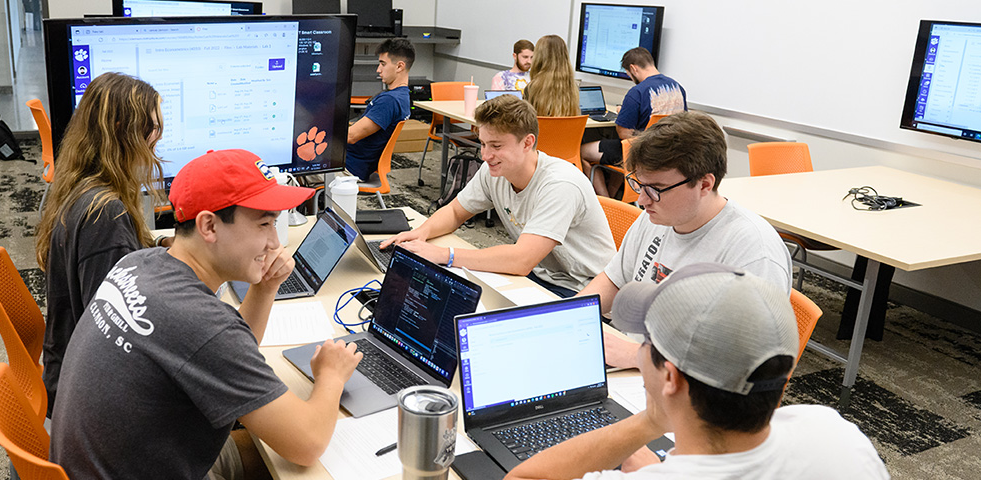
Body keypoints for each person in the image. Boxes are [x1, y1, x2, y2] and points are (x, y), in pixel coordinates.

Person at [49, 149, 363, 479]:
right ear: (209, 225)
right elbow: (307, 444)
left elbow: (228, 353)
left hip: (109, 462)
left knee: (264, 449)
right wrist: (332, 376)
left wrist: (265, 288)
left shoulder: (139, 263)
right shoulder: (200, 323)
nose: (274, 242)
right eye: (265, 224)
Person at [506, 263, 890, 479]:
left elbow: (520, 478)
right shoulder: (835, 432)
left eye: (644, 342)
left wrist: (650, 422)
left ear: (671, 378)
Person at [577, 111, 792, 368]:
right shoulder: (655, 217)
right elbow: (613, 279)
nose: (643, 200)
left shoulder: (753, 251)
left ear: (704, 184)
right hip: (641, 368)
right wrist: (569, 321)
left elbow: (742, 362)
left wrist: (639, 356)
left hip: (694, 390)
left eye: (655, 189)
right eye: (639, 184)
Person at [34, 72, 174, 416]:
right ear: (121, 129)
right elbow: (117, 329)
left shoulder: (83, 185)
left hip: (68, 372)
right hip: (90, 398)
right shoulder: (105, 216)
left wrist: (161, 252)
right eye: (152, 127)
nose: (158, 137)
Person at [381, 95, 615, 298]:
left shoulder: (560, 184)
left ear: (527, 142)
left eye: (496, 146)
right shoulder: (496, 170)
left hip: (583, 289)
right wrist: (420, 234)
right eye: (482, 144)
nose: (485, 155)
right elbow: (454, 212)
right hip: (541, 275)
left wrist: (445, 255)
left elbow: (521, 260)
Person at [581, 47, 687, 196]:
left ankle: (605, 201)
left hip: (643, 153)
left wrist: (624, 114)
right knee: (621, 151)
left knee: (584, 151)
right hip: (670, 154)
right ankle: (613, 197)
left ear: (633, 68)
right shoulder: (678, 88)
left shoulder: (637, 92)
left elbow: (624, 133)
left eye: (629, 74)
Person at [344, 37, 414, 180]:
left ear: (399, 66)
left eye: (383, 64)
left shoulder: (389, 101)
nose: (378, 70)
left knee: (291, 168)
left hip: (348, 168)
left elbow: (351, 136)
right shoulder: (402, 96)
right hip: (351, 162)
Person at [522, 35, 579, 117]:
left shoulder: (532, 88)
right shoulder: (573, 88)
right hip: (566, 130)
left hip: (541, 130)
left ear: (539, 58)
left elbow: (527, 121)